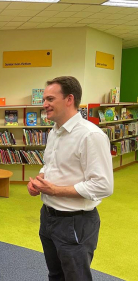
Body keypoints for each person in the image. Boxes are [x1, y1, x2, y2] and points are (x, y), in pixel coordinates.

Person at [27, 76, 113, 281]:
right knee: (56, 275)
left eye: (49, 99)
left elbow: (103, 185)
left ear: (69, 99)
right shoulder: (54, 132)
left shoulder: (91, 135)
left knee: (76, 278)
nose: (44, 104)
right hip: (48, 217)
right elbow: (50, 165)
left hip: (75, 222)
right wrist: (39, 180)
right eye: (44, 99)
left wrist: (56, 190)